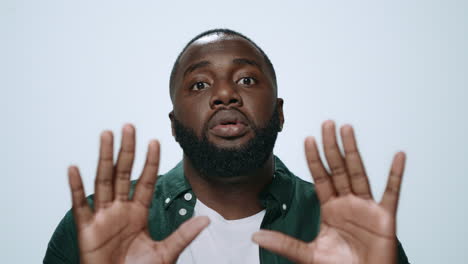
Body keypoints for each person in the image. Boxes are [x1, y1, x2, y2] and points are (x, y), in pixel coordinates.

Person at [44, 29, 409, 264]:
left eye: (246, 79)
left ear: (279, 113)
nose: (224, 94)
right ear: (173, 125)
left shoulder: (346, 226)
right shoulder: (97, 223)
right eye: (200, 85)